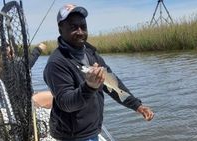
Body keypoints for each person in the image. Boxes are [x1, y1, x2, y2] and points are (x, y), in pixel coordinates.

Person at [43, 4, 154, 141]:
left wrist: (136, 105)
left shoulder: (91, 54)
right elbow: (66, 103)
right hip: (72, 136)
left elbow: (114, 85)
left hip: (93, 130)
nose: (80, 31)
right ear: (60, 29)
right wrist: (89, 87)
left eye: (83, 26)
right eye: (73, 27)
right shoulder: (56, 63)